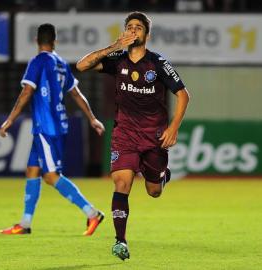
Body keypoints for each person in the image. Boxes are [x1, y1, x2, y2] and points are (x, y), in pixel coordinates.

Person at [76, 12, 190, 260]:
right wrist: (115, 46)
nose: (134, 31)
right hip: (124, 134)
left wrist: (173, 128)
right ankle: (120, 241)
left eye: (139, 28)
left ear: (147, 34)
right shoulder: (117, 59)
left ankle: (161, 176)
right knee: (122, 183)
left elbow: (183, 94)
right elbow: (81, 65)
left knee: (153, 192)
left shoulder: (158, 62)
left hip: (153, 136)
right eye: (130, 27)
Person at [0, 23, 105, 236]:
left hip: (48, 127)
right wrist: (92, 118)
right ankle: (25, 223)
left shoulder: (38, 61)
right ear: (54, 41)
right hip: (52, 125)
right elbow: (76, 94)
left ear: (36, 41)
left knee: (50, 176)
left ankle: (92, 212)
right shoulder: (60, 63)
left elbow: (27, 91)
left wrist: (10, 119)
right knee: (32, 170)